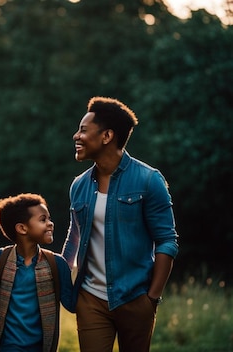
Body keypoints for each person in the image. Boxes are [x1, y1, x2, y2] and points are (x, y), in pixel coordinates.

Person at [61, 96, 179, 351]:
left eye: (83, 130)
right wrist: (63, 281)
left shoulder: (149, 180)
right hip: (90, 299)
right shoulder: (79, 185)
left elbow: (167, 240)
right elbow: (75, 236)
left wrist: (152, 298)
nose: (76, 136)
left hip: (136, 297)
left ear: (107, 136)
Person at [0, 193, 75, 352]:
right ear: (22, 228)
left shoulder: (57, 264)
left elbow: (73, 305)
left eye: (49, 218)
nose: (50, 224)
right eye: (43, 219)